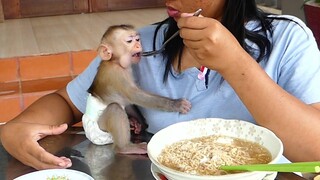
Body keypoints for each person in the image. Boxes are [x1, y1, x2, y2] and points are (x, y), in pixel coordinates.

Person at [1, 0, 320, 170]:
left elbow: (314, 148)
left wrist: (235, 64)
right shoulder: (142, 44)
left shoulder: (287, 39)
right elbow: (68, 100)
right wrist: (19, 127)